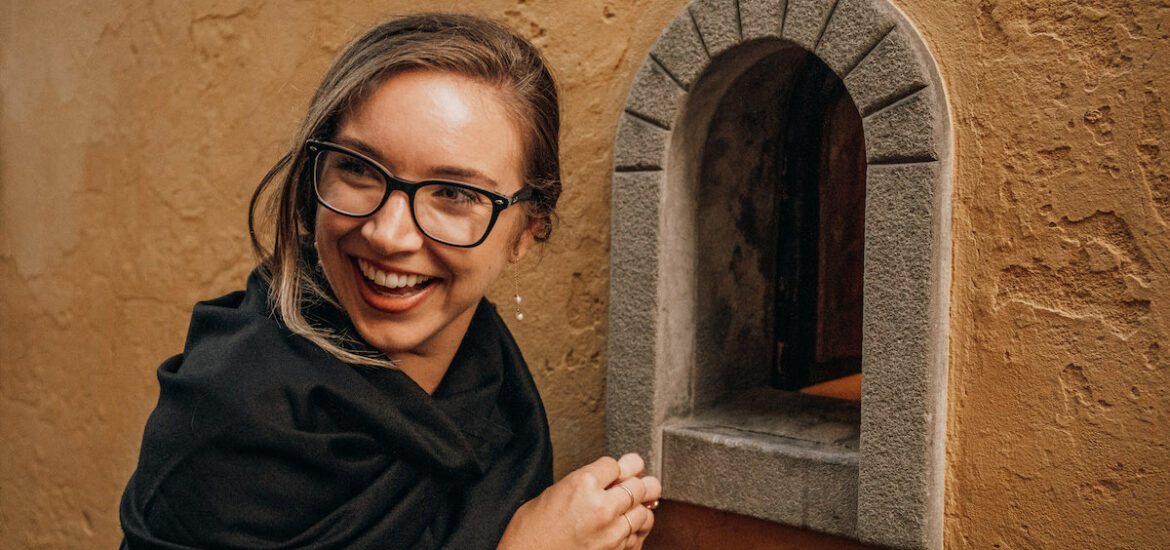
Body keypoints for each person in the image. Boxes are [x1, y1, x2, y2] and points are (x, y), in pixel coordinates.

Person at [119, 13, 660, 550]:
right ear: (316, 180)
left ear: (526, 231)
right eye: (358, 168)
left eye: (454, 193)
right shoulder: (230, 411)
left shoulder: (495, 396)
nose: (388, 234)